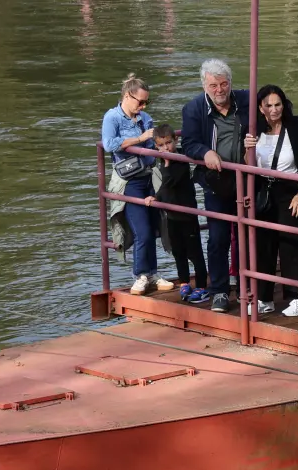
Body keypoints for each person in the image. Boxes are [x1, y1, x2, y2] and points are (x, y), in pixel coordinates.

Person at [241, 85, 298, 319]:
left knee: (293, 242)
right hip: (264, 190)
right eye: (268, 105)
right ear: (260, 108)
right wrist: (247, 150)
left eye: (278, 104)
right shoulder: (253, 130)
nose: (274, 110)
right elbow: (247, 166)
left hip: (291, 189)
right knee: (262, 244)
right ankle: (263, 297)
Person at [180, 59, 250, 314]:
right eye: (213, 85)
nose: (219, 90)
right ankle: (219, 290)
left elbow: (274, 112)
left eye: (224, 83)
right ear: (204, 86)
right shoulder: (194, 109)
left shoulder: (246, 101)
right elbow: (188, 143)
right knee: (218, 238)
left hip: (246, 181)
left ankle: (245, 286)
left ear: (230, 82)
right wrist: (205, 152)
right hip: (215, 182)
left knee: (246, 235)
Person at [102, 74, 171, 296]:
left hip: (149, 176)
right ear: (126, 96)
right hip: (129, 181)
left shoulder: (145, 117)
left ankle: (152, 272)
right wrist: (139, 139)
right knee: (142, 231)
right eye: (139, 101)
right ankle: (141, 274)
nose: (142, 106)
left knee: (153, 228)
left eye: (146, 102)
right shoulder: (112, 117)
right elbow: (109, 144)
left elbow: (153, 143)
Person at [152, 123, 208, 304]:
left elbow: (169, 182)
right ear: (155, 146)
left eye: (168, 143)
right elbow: (164, 188)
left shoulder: (180, 160)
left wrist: (167, 163)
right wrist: (156, 197)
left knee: (195, 253)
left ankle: (201, 286)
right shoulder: (163, 160)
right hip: (172, 215)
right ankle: (184, 281)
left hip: (186, 213)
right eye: (160, 145)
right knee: (178, 252)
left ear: (175, 141)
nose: (165, 148)